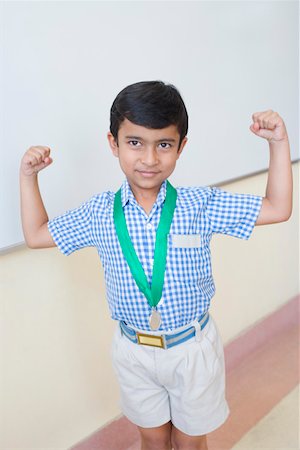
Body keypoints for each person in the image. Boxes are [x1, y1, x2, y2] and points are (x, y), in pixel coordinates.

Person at [20, 81, 293, 450]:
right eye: (135, 143)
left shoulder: (200, 204)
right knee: (152, 440)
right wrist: (28, 177)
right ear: (113, 143)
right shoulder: (100, 212)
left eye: (163, 144)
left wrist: (277, 144)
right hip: (133, 350)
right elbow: (37, 234)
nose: (149, 159)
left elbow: (278, 208)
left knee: (190, 443)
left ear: (181, 147)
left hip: (191, 349)